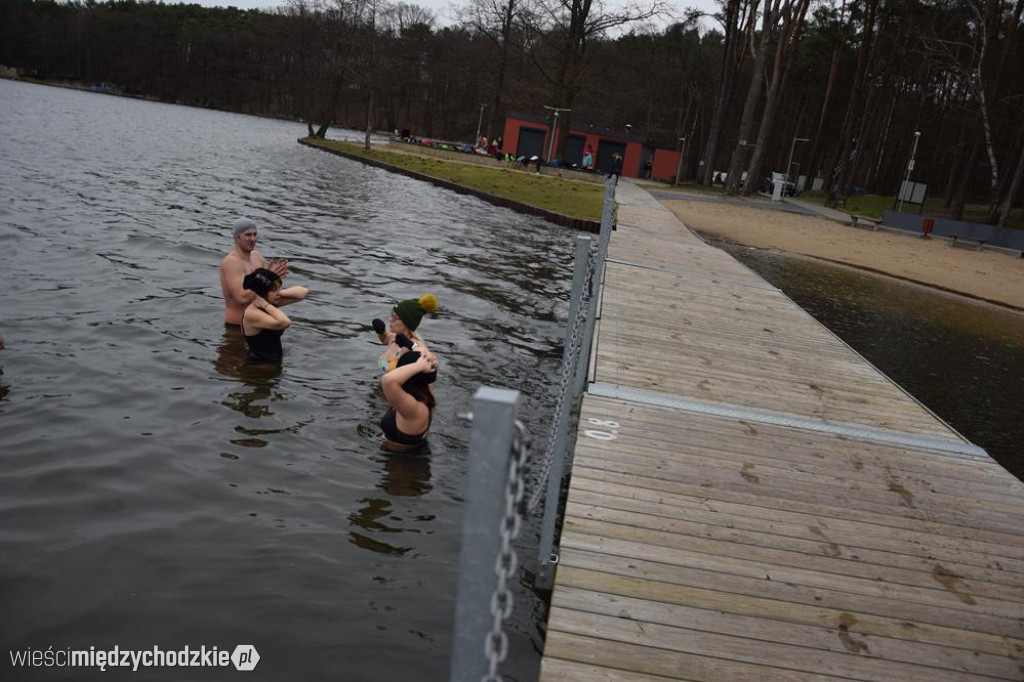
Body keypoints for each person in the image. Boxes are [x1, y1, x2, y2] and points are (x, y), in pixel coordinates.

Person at [220, 217, 308, 326]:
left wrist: (275, 277)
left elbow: (266, 288)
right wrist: (267, 278)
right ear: (237, 237)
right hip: (237, 327)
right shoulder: (232, 262)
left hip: (260, 321)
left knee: (301, 294)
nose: (252, 239)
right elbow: (241, 298)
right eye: (248, 235)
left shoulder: (257, 256)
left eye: (254, 234)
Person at [379, 348, 438, 451]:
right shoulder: (427, 392)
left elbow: (387, 380)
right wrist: (427, 359)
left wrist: (418, 365)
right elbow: (428, 369)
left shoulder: (414, 407)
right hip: (412, 454)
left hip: (402, 462)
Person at [373, 294, 438, 375]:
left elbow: (431, 364)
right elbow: (384, 339)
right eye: (391, 315)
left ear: (407, 324)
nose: (390, 319)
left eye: (396, 318)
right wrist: (381, 332)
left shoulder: (415, 346)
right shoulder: (393, 337)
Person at [241, 268, 291, 364]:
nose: (278, 293)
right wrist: (265, 304)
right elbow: (286, 322)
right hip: (260, 368)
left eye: (279, 288)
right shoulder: (253, 313)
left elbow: (302, 293)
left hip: (271, 364)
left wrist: (277, 294)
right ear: (262, 292)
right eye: (273, 290)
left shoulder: (267, 305)